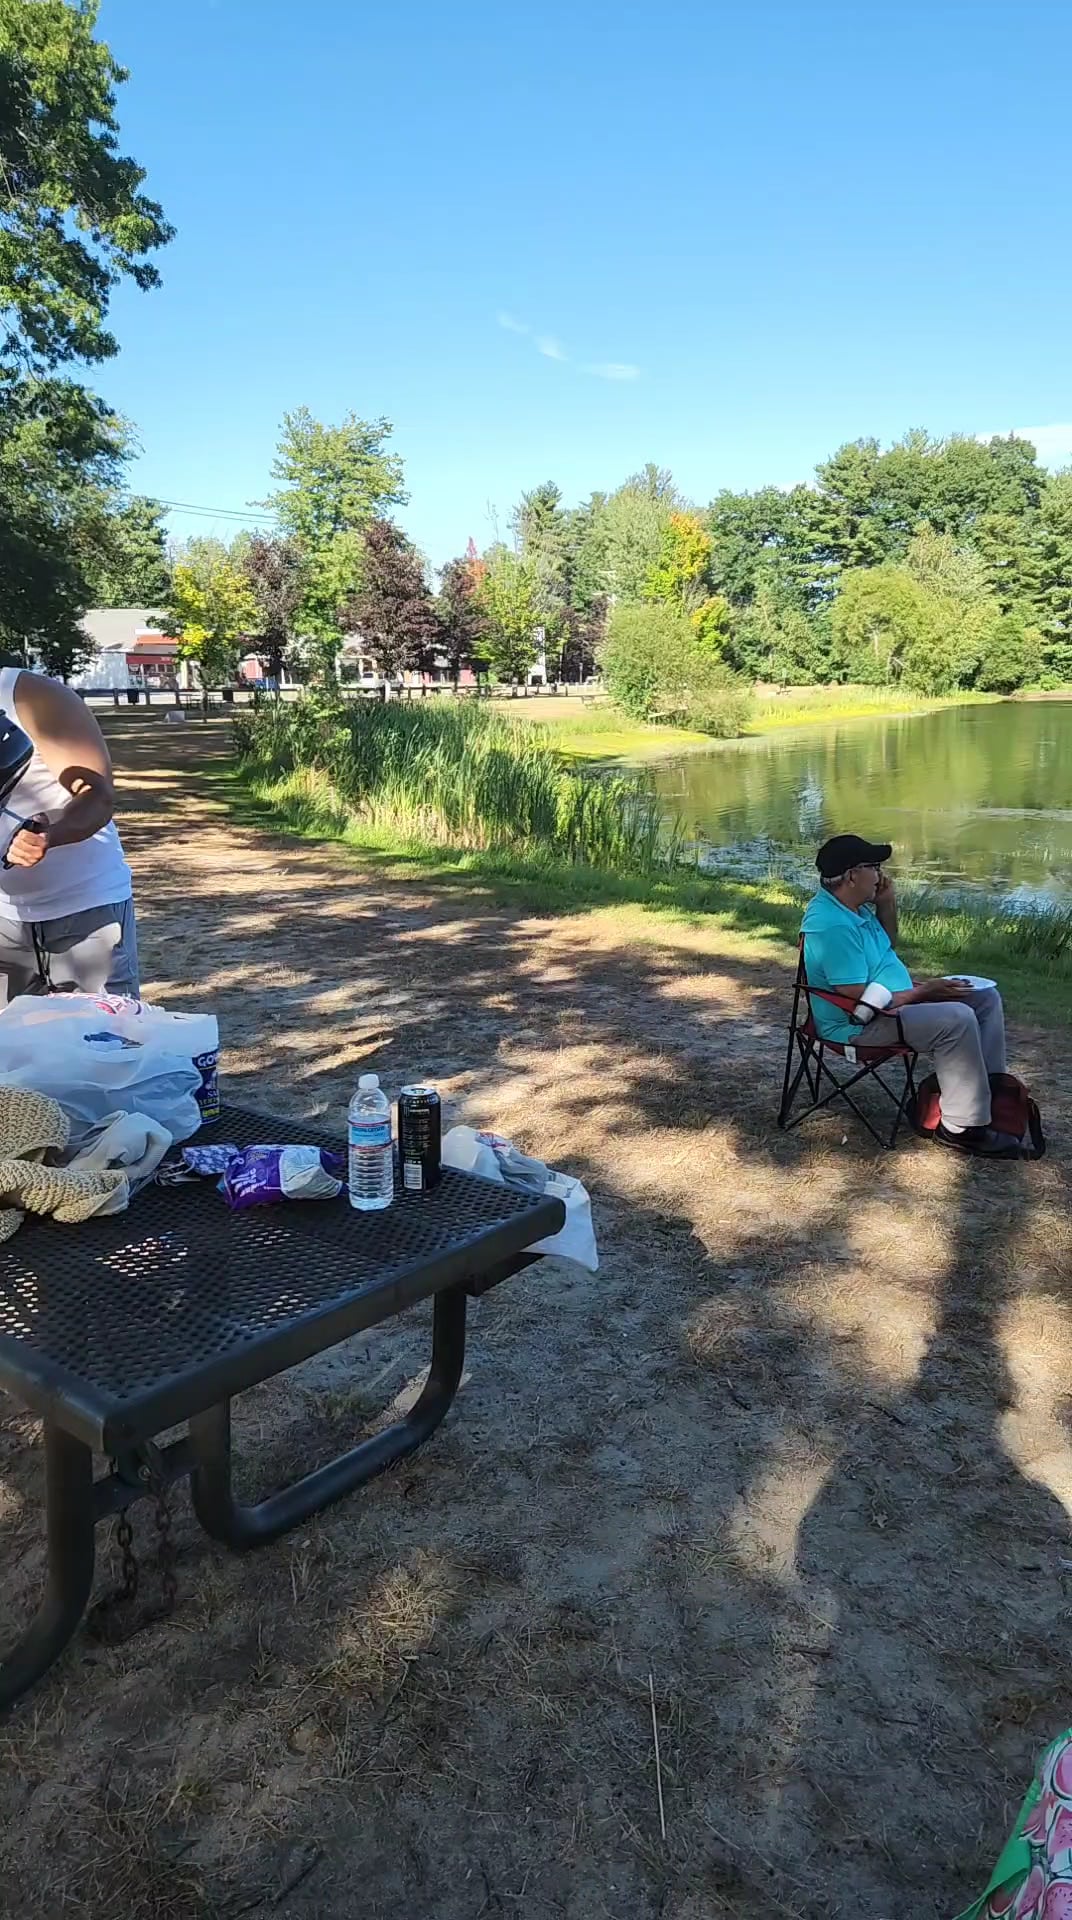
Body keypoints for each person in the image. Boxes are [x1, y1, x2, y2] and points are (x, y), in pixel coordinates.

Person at [802, 833, 1010, 1155]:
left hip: (890, 1004)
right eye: (874, 866)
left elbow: (886, 946)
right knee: (957, 1017)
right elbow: (857, 1001)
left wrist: (887, 903)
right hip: (860, 1027)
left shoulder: (852, 909)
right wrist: (925, 991)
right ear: (852, 875)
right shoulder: (833, 926)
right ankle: (962, 1127)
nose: (882, 874)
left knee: (983, 999)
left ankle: (992, 1092)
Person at [0, 666, 138, 1001]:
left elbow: (98, 797)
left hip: (85, 908)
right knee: (15, 1049)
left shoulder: (30, 695)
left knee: (101, 1043)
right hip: (5, 917)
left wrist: (52, 834)